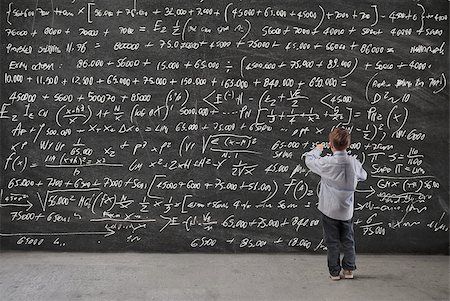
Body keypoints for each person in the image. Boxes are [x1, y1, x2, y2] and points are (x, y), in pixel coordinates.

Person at [304, 127, 367, 280]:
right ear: (348, 144)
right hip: (346, 211)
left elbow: (309, 161)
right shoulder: (353, 162)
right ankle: (349, 270)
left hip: (329, 210)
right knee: (348, 240)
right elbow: (363, 175)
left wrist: (317, 150)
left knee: (332, 242)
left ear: (331, 144)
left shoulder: (327, 163)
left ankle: (334, 272)